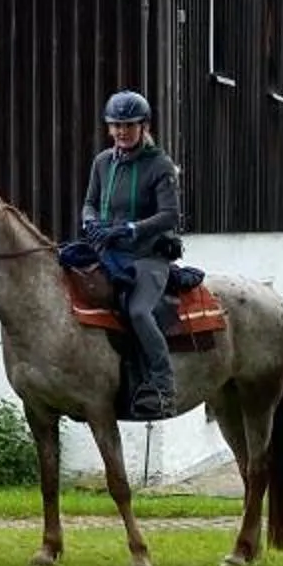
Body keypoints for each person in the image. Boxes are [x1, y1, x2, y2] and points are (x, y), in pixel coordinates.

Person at [79, 90, 184, 420]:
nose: (121, 132)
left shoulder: (160, 165)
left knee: (138, 311)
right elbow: (90, 202)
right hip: (107, 251)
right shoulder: (102, 162)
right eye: (115, 125)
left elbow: (169, 215)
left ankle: (163, 386)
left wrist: (130, 229)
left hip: (148, 257)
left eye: (128, 125)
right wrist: (91, 222)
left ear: (144, 125)